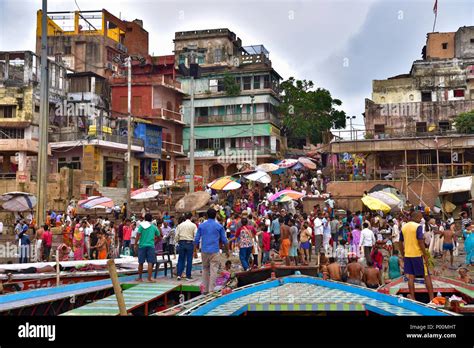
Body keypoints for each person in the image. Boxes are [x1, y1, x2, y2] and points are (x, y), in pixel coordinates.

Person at [400, 211, 434, 301]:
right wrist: (425, 254)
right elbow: (420, 241)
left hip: (408, 255)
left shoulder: (404, 227)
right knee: (426, 276)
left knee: (411, 277)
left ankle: (413, 298)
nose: (421, 219)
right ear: (416, 216)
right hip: (418, 255)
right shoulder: (417, 227)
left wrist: (403, 253)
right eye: (420, 217)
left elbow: (400, 242)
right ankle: (432, 299)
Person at [194, 208, 229, 294]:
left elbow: (196, 239)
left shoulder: (201, 226)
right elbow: (224, 240)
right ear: (215, 215)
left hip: (204, 250)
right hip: (214, 250)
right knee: (214, 269)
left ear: (206, 215)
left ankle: (205, 289)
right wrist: (227, 251)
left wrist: (194, 251)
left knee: (205, 268)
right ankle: (211, 290)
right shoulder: (219, 226)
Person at [135, 213, 161, 282]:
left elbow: (138, 235)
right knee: (150, 262)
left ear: (145, 219)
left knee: (141, 262)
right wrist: (155, 242)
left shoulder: (141, 226)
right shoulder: (154, 227)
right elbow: (159, 237)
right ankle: (149, 278)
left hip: (142, 246)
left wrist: (135, 244)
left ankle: (140, 278)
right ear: (151, 219)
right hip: (151, 246)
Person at [175, 213, 197, 280]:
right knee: (189, 260)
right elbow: (196, 235)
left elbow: (176, 235)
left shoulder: (180, 225)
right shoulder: (193, 225)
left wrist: (177, 241)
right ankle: (188, 275)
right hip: (189, 243)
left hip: (181, 242)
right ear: (191, 217)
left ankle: (179, 275)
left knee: (181, 259)